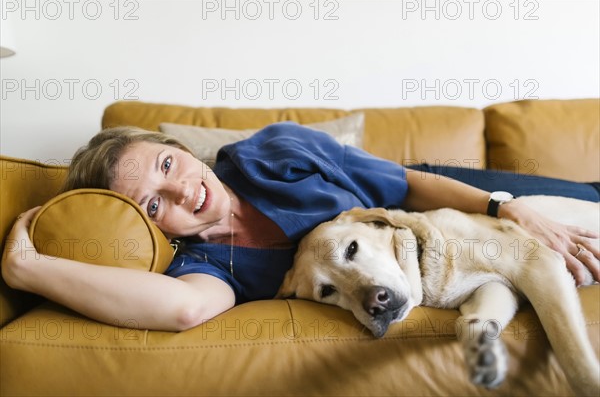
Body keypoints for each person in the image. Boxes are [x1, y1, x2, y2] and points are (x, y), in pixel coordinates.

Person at [3, 123, 599, 332]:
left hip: (435, 200)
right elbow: (183, 311)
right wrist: (28, 267)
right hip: (442, 265)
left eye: (167, 165)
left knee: (589, 203)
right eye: (153, 204)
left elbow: (406, 182)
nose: (181, 189)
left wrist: (505, 206)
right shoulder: (205, 265)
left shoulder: (272, 153)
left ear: (179, 147)